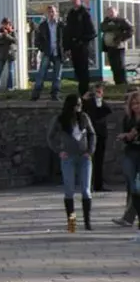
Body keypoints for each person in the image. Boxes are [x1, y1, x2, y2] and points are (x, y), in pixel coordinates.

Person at [47, 94, 96, 231]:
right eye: (76, 105)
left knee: (86, 189)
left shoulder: (84, 117)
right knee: (69, 190)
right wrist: (59, 150)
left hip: (84, 157)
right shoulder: (60, 120)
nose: (79, 108)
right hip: (68, 157)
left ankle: (87, 222)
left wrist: (90, 150)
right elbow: (50, 137)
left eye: (80, 105)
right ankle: (72, 223)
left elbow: (92, 134)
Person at [115, 90, 140, 242]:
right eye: (133, 104)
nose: (136, 106)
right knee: (132, 187)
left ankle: (130, 218)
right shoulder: (128, 118)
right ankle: (129, 218)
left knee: (137, 187)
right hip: (131, 153)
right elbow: (126, 136)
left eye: (138, 103)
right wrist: (126, 136)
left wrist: (135, 132)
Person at [65, 0, 97, 96]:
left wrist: (81, 40)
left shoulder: (84, 13)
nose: (73, 1)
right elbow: (68, 31)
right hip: (73, 47)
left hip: (83, 46)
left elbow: (92, 33)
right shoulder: (70, 14)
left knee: (83, 70)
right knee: (77, 70)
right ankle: (81, 90)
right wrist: (67, 47)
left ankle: (84, 91)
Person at [82, 83, 112, 192]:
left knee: (99, 160)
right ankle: (87, 184)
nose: (98, 94)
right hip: (89, 134)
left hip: (101, 134)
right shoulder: (87, 103)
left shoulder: (102, 104)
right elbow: (79, 112)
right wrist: (84, 99)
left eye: (100, 91)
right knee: (87, 159)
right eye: (96, 92)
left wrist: (99, 100)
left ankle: (98, 185)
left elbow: (107, 111)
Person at [31, 5, 66, 101]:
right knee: (41, 73)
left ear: (56, 13)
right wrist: (42, 48)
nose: (51, 14)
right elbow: (37, 40)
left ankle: (55, 94)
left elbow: (66, 39)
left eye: (53, 12)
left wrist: (65, 50)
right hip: (47, 52)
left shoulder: (61, 25)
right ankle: (36, 94)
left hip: (58, 52)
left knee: (57, 75)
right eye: (49, 12)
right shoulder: (43, 26)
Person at [101, 6, 133, 85]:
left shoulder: (122, 21)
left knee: (120, 66)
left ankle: (123, 82)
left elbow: (131, 30)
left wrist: (121, 38)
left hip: (119, 47)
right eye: (109, 12)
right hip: (109, 47)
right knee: (113, 66)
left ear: (116, 12)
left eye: (112, 11)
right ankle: (117, 82)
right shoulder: (105, 22)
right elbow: (102, 28)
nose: (110, 13)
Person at [0, 17, 17, 92]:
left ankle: (10, 87)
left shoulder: (12, 31)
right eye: (3, 24)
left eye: (6, 24)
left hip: (10, 54)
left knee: (11, 71)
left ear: (9, 24)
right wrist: (3, 36)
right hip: (2, 54)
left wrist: (7, 36)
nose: (5, 25)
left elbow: (15, 40)